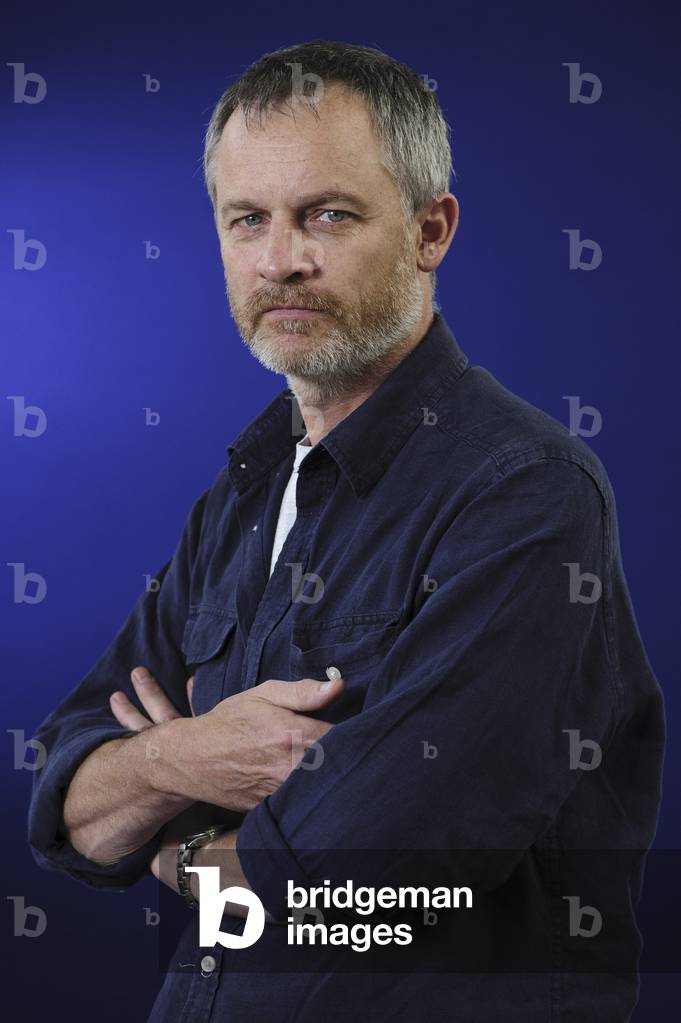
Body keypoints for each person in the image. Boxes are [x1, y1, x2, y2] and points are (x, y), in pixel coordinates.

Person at [28, 40, 665, 1022]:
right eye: (249, 219)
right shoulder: (243, 493)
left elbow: (356, 894)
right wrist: (183, 761)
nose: (282, 259)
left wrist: (173, 840)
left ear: (429, 229)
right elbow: (69, 815)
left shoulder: (527, 497)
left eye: (327, 213)